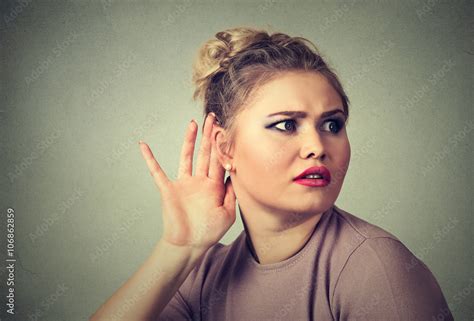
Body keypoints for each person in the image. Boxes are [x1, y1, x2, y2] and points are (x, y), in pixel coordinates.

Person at [89, 26, 454, 321]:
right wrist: (178, 249)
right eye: (285, 125)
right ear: (224, 146)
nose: (317, 146)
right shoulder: (202, 273)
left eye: (332, 123)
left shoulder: (374, 269)